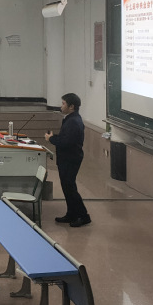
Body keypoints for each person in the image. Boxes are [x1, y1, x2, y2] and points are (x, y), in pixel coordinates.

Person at [45, 93, 91, 228]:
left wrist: (51, 139)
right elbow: (65, 137)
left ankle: (83, 216)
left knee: (70, 188)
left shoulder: (74, 121)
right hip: (66, 158)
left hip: (71, 159)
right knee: (67, 187)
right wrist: (55, 137)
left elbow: (66, 142)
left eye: (63, 103)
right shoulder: (70, 119)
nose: (61, 106)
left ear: (71, 106)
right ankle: (71, 213)